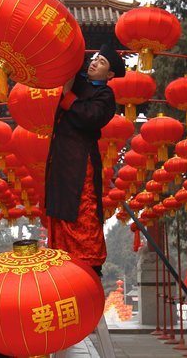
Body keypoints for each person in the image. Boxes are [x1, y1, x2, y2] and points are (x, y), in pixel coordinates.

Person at [45, 43, 126, 278]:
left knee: (83, 207)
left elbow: (91, 117)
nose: (94, 62)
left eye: (101, 63)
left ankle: (88, 263)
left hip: (80, 161)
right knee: (60, 207)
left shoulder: (105, 95)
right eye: (95, 58)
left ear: (109, 75)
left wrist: (69, 97)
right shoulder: (77, 80)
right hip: (60, 159)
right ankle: (61, 258)